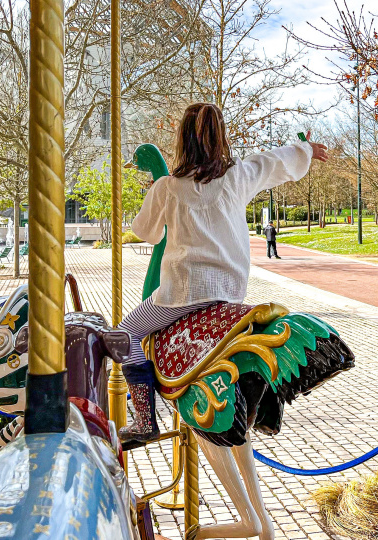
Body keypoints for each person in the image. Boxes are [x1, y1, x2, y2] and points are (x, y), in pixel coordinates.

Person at [117, 103, 328, 444]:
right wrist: (305, 150)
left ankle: (143, 420)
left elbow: (146, 233)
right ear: (221, 139)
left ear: (182, 141)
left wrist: (153, 199)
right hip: (230, 291)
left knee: (125, 333)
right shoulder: (238, 176)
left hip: (181, 295)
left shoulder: (168, 188)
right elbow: (275, 161)